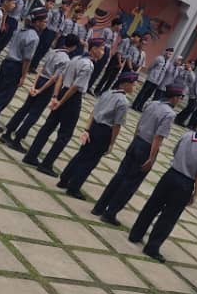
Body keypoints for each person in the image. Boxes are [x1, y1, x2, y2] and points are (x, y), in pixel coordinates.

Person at [90, 84, 184, 225]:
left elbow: (139, 123)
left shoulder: (152, 104)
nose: (180, 101)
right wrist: (151, 158)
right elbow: (158, 137)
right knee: (130, 183)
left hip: (137, 141)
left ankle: (99, 207)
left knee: (120, 175)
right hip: (147, 147)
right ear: (174, 98)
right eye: (180, 98)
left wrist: (134, 140)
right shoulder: (169, 114)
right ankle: (110, 213)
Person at [128, 113, 197, 259]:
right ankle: (152, 246)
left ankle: (135, 234)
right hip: (185, 183)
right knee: (169, 217)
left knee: (152, 205)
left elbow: (175, 151)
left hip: (170, 174)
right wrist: (195, 194)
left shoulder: (187, 135)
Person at [22, 39, 106, 176]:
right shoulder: (88, 65)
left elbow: (60, 77)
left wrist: (56, 96)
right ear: (93, 49)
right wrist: (60, 102)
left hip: (62, 93)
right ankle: (47, 163)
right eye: (101, 49)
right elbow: (75, 87)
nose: (103, 52)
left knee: (48, 126)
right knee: (65, 134)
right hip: (71, 99)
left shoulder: (75, 58)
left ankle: (31, 155)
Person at [56, 71, 137, 200]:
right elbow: (117, 125)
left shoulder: (107, 93)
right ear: (126, 84)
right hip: (104, 132)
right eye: (133, 84)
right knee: (90, 161)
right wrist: (111, 143)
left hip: (93, 127)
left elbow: (94, 112)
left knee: (81, 155)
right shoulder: (123, 102)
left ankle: (64, 180)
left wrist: (87, 129)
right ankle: (74, 187)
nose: (134, 87)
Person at [0, 8, 47, 130]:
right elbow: (27, 59)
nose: (45, 24)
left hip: (7, 61)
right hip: (16, 66)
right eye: (44, 21)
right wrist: (23, 76)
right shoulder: (34, 37)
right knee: (4, 94)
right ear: (37, 22)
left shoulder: (20, 30)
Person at [0, 37, 77, 151]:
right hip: (47, 85)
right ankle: (17, 139)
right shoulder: (66, 60)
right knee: (34, 113)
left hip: (40, 80)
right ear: (74, 47)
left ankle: (8, 132)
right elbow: (54, 78)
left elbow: (41, 68)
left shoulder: (53, 51)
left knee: (25, 108)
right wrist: (40, 90)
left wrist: (34, 85)